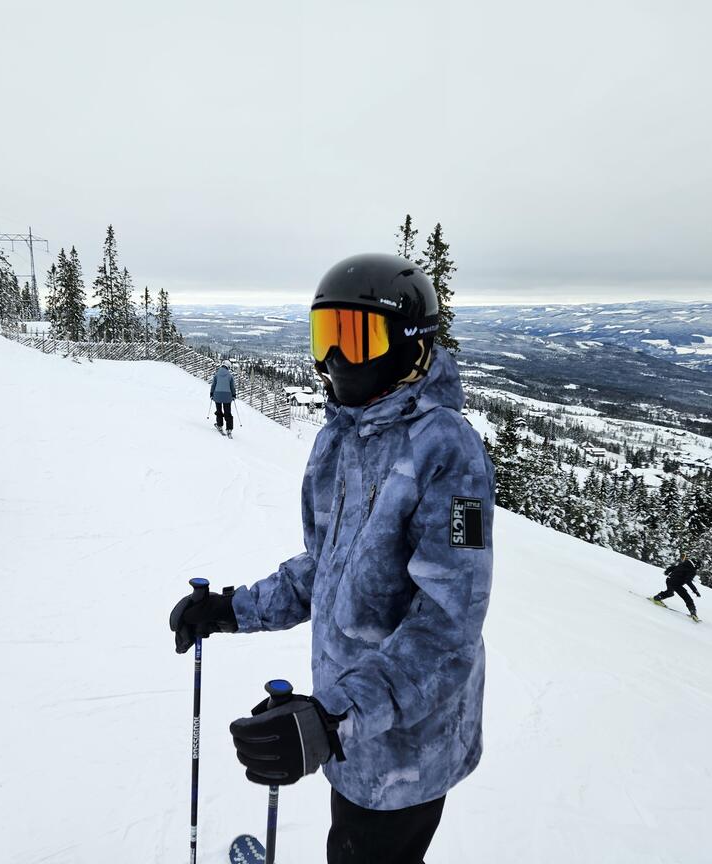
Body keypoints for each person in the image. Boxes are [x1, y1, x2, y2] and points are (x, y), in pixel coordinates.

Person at [170, 253, 495, 864]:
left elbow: (448, 627)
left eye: (357, 338)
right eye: (327, 337)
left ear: (410, 345)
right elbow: (326, 566)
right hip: (350, 733)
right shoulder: (343, 436)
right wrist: (232, 609)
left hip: (405, 749)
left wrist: (331, 718)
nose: (336, 361)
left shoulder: (449, 453)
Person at [652, 553, 702, 620]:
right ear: (696, 565)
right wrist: (695, 591)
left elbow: (673, 567)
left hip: (669, 579)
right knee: (687, 598)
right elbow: (688, 581)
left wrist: (667, 571)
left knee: (670, 593)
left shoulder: (684, 564)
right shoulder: (692, 570)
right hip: (676, 584)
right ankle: (693, 612)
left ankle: (658, 597)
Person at [210, 359, 236, 437]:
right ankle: (229, 429)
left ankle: (219, 425)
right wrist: (234, 395)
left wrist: (211, 394)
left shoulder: (216, 375)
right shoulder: (230, 376)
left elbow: (213, 385)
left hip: (217, 395)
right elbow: (232, 387)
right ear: (229, 367)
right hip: (227, 396)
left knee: (219, 411)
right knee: (227, 412)